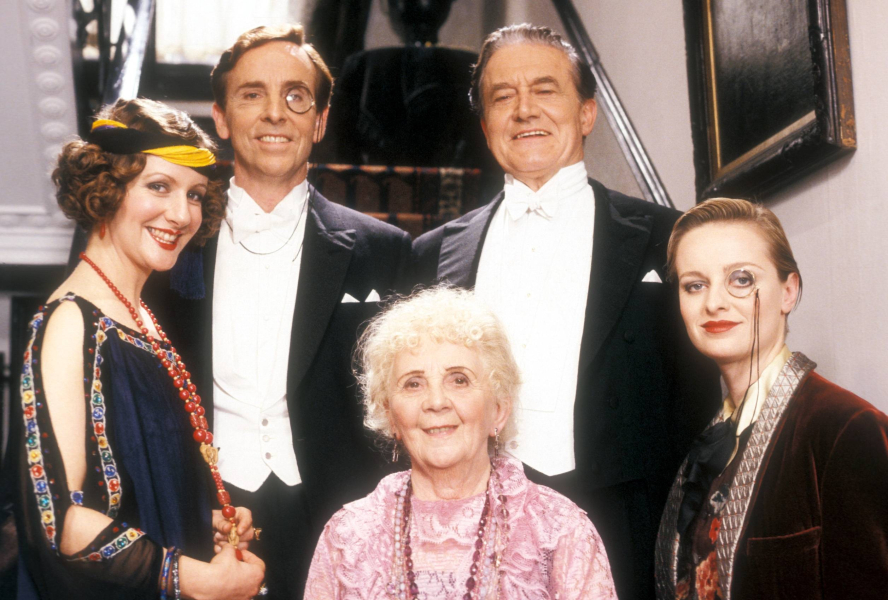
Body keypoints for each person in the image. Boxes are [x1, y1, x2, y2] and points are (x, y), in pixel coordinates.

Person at [410, 23, 720, 599]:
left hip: (627, 530)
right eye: (503, 96)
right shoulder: (430, 254)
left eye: (545, 89)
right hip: (469, 526)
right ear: (485, 125)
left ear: (586, 113)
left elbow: (700, 404)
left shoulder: (667, 237)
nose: (524, 109)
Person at [146, 24, 412, 599]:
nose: (275, 113)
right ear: (221, 118)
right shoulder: (169, 244)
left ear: (319, 122)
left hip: (340, 521)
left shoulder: (384, 252)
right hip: (197, 513)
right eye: (252, 95)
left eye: (296, 96)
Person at [16, 98, 264, 600]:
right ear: (105, 189)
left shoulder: (139, 316)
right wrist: (200, 580)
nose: (181, 214)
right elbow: (60, 518)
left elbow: (132, 482)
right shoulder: (72, 322)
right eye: (159, 186)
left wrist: (199, 517)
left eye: (195, 195)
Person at [304, 286, 617, 599]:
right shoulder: (346, 536)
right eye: (413, 384)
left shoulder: (559, 529)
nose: (436, 402)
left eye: (459, 380)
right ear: (390, 415)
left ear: (499, 410)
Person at [654, 198, 888, 599]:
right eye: (695, 285)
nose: (714, 302)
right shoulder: (707, 442)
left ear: (788, 292)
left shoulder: (846, 429)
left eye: (741, 279)